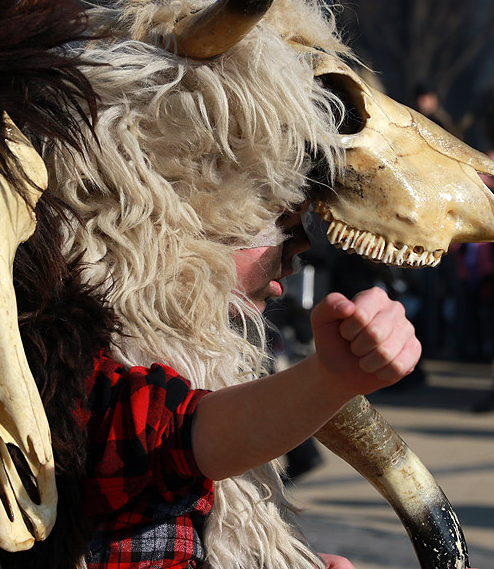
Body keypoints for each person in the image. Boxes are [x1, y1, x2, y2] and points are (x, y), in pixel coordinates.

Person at [82, 206, 420, 569]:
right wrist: (332, 377)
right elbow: (174, 437)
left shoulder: (217, 357)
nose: (298, 249)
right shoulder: (72, 353)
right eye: (276, 220)